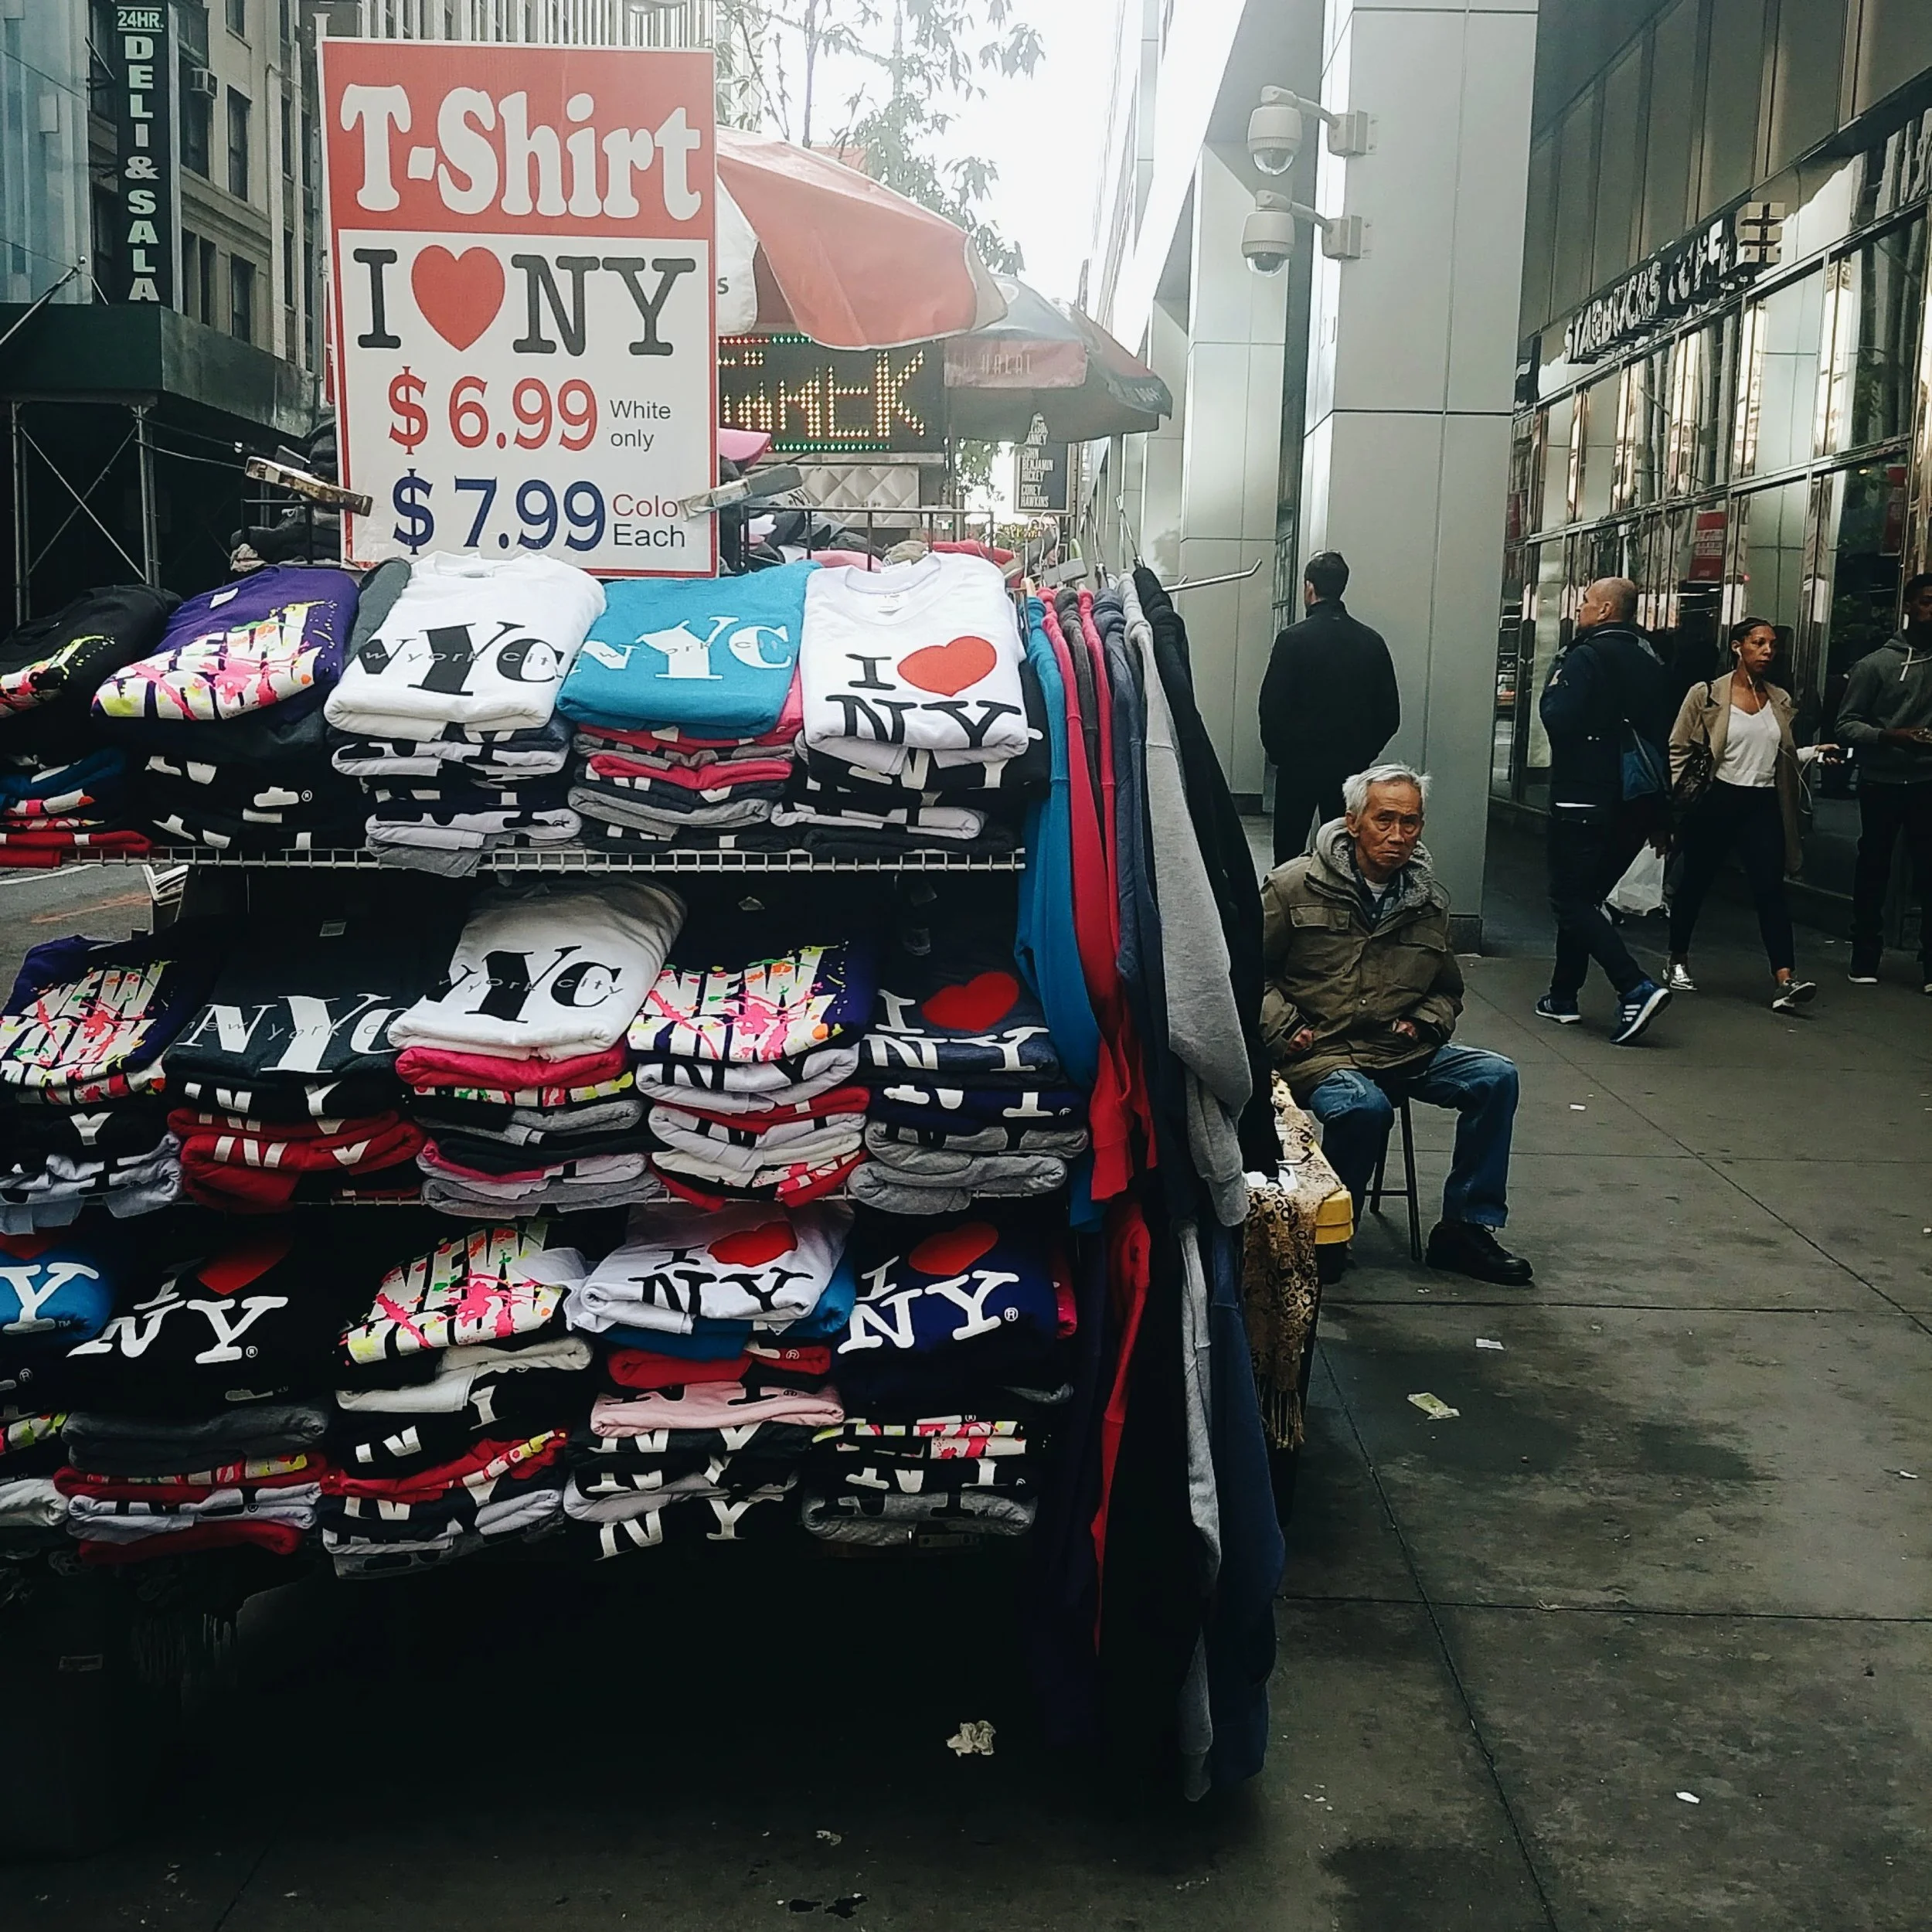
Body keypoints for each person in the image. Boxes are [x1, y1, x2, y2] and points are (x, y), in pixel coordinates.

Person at [1260, 764, 1532, 1286]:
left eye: (1410, 822)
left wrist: (1425, 1022)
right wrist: (1283, 1027)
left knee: (1495, 1077)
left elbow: (1446, 989)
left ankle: (1465, 1228)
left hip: (1398, 1049)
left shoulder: (1427, 901)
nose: (1398, 835)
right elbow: (1245, 971)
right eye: (1384, 820)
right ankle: (1328, 1234)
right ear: (1353, 822)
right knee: (1363, 1107)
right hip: (1321, 1049)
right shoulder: (1294, 886)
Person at [1665, 616, 1834, 1010]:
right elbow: (1678, 746)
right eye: (1758, 643)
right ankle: (1677, 959)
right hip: (1717, 798)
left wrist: (1813, 752)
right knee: (1696, 882)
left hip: (1762, 803)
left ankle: (1785, 979)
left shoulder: (1779, 699)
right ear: (1738, 647)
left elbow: (1779, 756)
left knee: (1770, 889)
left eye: (1772, 644)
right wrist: (1681, 795)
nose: (1767, 651)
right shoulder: (1707, 694)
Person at [1536, 576, 1675, 1043]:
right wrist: (1662, 815)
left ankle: (1633, 985)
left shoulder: (1585, 656)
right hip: (1635, 802)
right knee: (1587, 897)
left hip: (1583, 794)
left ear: (1606, 610)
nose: (1580, 608)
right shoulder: (1652, 661)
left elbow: (1556, 716)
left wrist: (1556, 687)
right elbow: (1661, 740)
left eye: (1587, 601)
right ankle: (1562, 995)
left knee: (1569, 898)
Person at [1257, 551, 1400, 864]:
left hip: (1298, 766)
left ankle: (1289, 897)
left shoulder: (1292, 640)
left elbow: (1271, 708)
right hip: (1350, 768)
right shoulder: (1371, 642)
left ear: (1309, 587)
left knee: (1288, 855)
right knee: (1344, 854)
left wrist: (1281, 755)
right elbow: (1390, 715)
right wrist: (1363, 754)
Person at [1835, 573, 1932, 990]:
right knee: (1874, 866)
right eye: (1927, 601)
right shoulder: (1876, 665)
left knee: (1928, 871)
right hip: (1881, 780)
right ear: (1908, 607)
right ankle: (1865, 954)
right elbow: (1845, 724)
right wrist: (1890, 736)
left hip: (1927, 779)